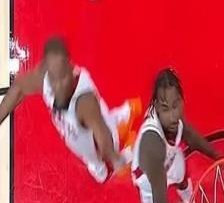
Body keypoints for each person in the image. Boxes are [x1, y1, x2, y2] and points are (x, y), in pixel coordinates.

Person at [0, 36, 142, 183]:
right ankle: (124, 114)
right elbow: (18, 88)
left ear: (71, 68)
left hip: (101, 137)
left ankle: (131, 142)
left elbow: (104, 140)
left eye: (62, 78)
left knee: (106, 163)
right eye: (54, 79)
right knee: (93, 148)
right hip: (83, 136)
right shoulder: (44, 76)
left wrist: (118, 159)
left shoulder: (84, 102)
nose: (58, 87)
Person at [131, 68, 221, 203]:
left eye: (176, 105)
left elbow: (189, 134)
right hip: (148, 179)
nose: (173, 115)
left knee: (183, 180)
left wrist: (217, 156)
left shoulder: (174, 120)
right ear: (156, 106)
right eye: (166, 109)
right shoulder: (152, 140)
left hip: (169, 160)